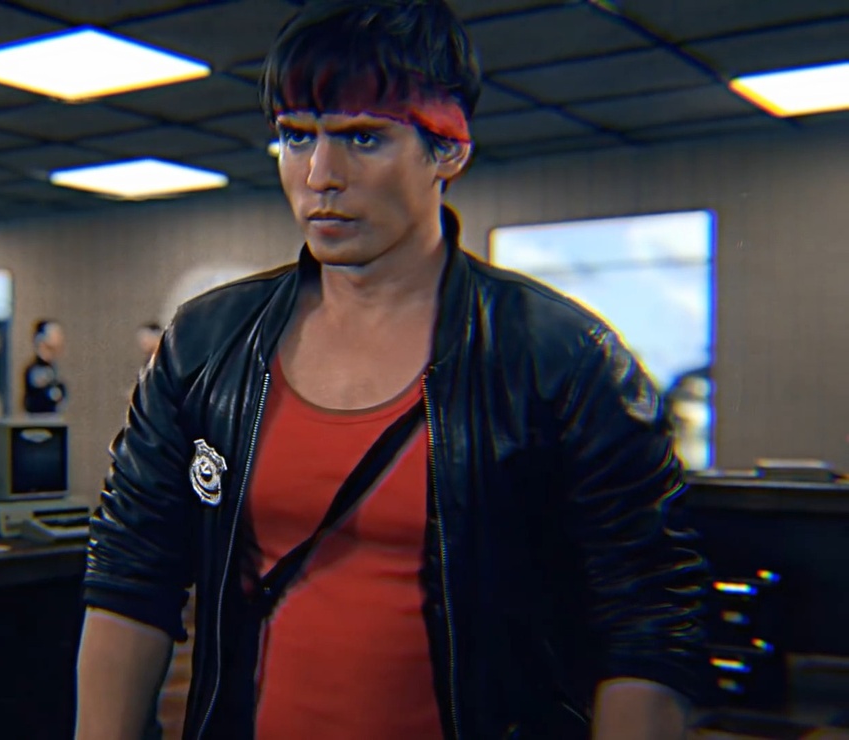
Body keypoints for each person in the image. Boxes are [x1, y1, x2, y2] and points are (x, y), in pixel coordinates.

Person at [77, 2, 710, 739]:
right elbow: (131, 569)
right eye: (296, 137)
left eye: (363, 138)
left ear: (449, 150)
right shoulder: (207, 344)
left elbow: (650, 619)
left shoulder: (559, 357)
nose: (320, 175)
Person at [22, 319, 67, 415]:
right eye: (55, 334)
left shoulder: (52, 368)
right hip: (39, 420)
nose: (60, 337)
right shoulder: (35, 370)